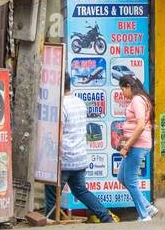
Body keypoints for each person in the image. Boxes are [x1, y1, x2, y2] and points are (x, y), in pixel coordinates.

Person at [43, 75, 117, 222]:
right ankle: (105, 217)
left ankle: (50, 220)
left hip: (64, 159)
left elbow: (57, 134)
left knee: (52, 191)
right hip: (80, 157)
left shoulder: (60, 106)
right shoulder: (80, 103)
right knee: (81, 191)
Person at [116, 75, 157, 221]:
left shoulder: (137, 100)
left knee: (131, 181)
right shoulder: (141, 99)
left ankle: (144, 215)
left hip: (137, 144)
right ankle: (148, 207)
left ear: (128, 86)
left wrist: (126, 146)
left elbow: (140, 126)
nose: (122, 93)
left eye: (122, 89)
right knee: (122, 177)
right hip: (137, 143)